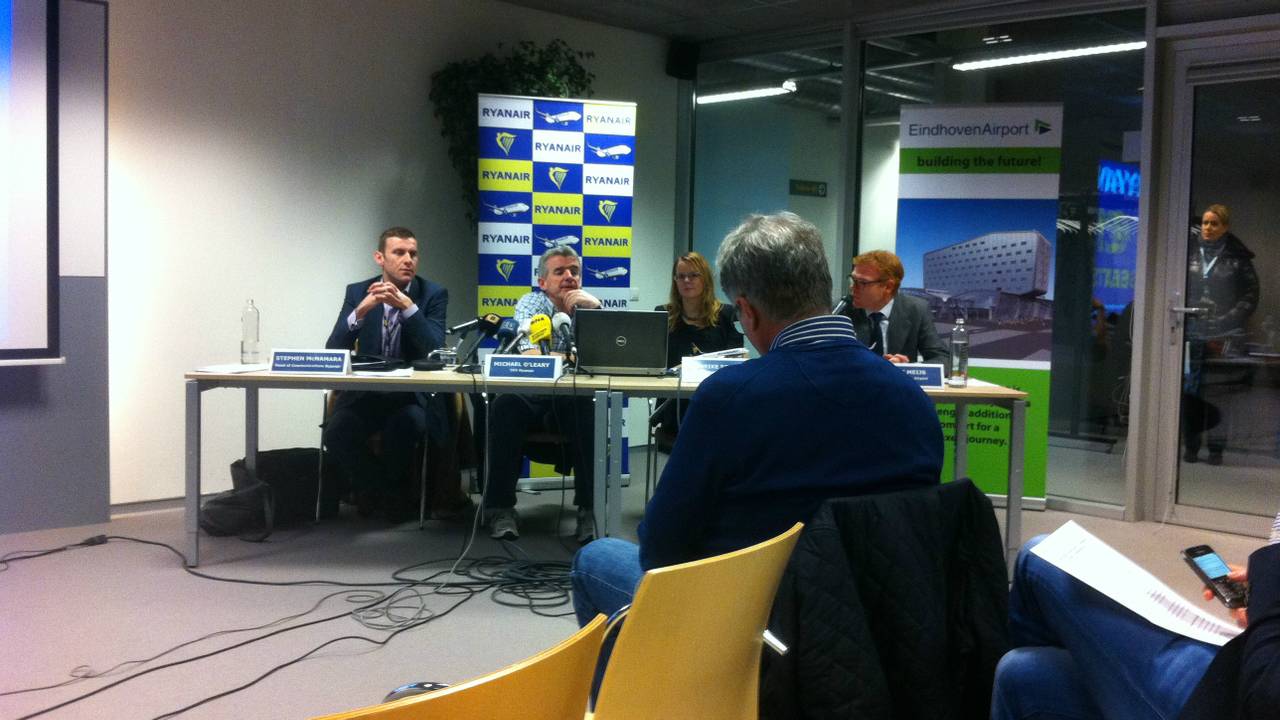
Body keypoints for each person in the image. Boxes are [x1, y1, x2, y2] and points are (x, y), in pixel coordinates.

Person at [570, 212, 944, 625]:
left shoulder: (729, 398)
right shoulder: (913, 400)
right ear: (823, 286)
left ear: (746, 311)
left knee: (596, 558)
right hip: (878, 623)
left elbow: (660, 550)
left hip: (754, 626)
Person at [991, 515, 1280, 720]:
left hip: (1233, 696)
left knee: (1039, 558)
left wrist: (1270, 584)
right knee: (1019, 672)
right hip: (1237, 665)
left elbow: (1267, 699)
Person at [323, 226, 449, 519]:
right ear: (380, 257)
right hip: (367, 394)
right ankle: (386, 492)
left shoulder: (432, 294)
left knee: (404, 426)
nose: (408, 260)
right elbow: (333, 348)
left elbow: (435, 349)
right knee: (338, 431)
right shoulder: (358, 291)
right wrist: (362, 310)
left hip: (411, 397)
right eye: (399, 252)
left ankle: (377, 494)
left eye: (413, 254)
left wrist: (408, 307)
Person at [482, 246, 601, 543]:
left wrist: (595, 312)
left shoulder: (589, 305)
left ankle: (589, 510)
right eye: (559, 272)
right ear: (542, 282)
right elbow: (533, 354)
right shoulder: (531, 303)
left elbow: (603, 357)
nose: (569, 277)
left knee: (589, 408)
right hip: (533, 398)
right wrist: (571, 358)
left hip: (571, 399)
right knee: (505, 404)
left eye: (574, 271)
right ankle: (500, 508)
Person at [1182, 204, 1260, 465]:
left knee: (1218, 394)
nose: (1207, 228)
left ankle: (1216, 449)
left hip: (1223, 336)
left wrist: (1225, 320)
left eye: (1214, 223)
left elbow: (1250, 297)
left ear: (1225, 227)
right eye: (1205, 222)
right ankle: (1191, 447)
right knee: (1190, 392)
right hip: (1191, 334)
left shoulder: (1238, 257)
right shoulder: (1189, 253)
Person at [652, 251, 743, 435]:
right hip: (674, 402)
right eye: (681, 276)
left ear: (706, 279)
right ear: (675, 281)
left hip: (716, 401)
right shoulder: (663, 315)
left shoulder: (727, 314)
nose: (687, 280)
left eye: (693, 275)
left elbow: (736, 362)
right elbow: (655, 362)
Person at [838, 249, 949, 364]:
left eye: (862, 283)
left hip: (897, 381)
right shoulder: (843, 311)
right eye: (852, 279)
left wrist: (908, 369)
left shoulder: (916, 309)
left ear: (888, 287)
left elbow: (942, 359)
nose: (852, 287)